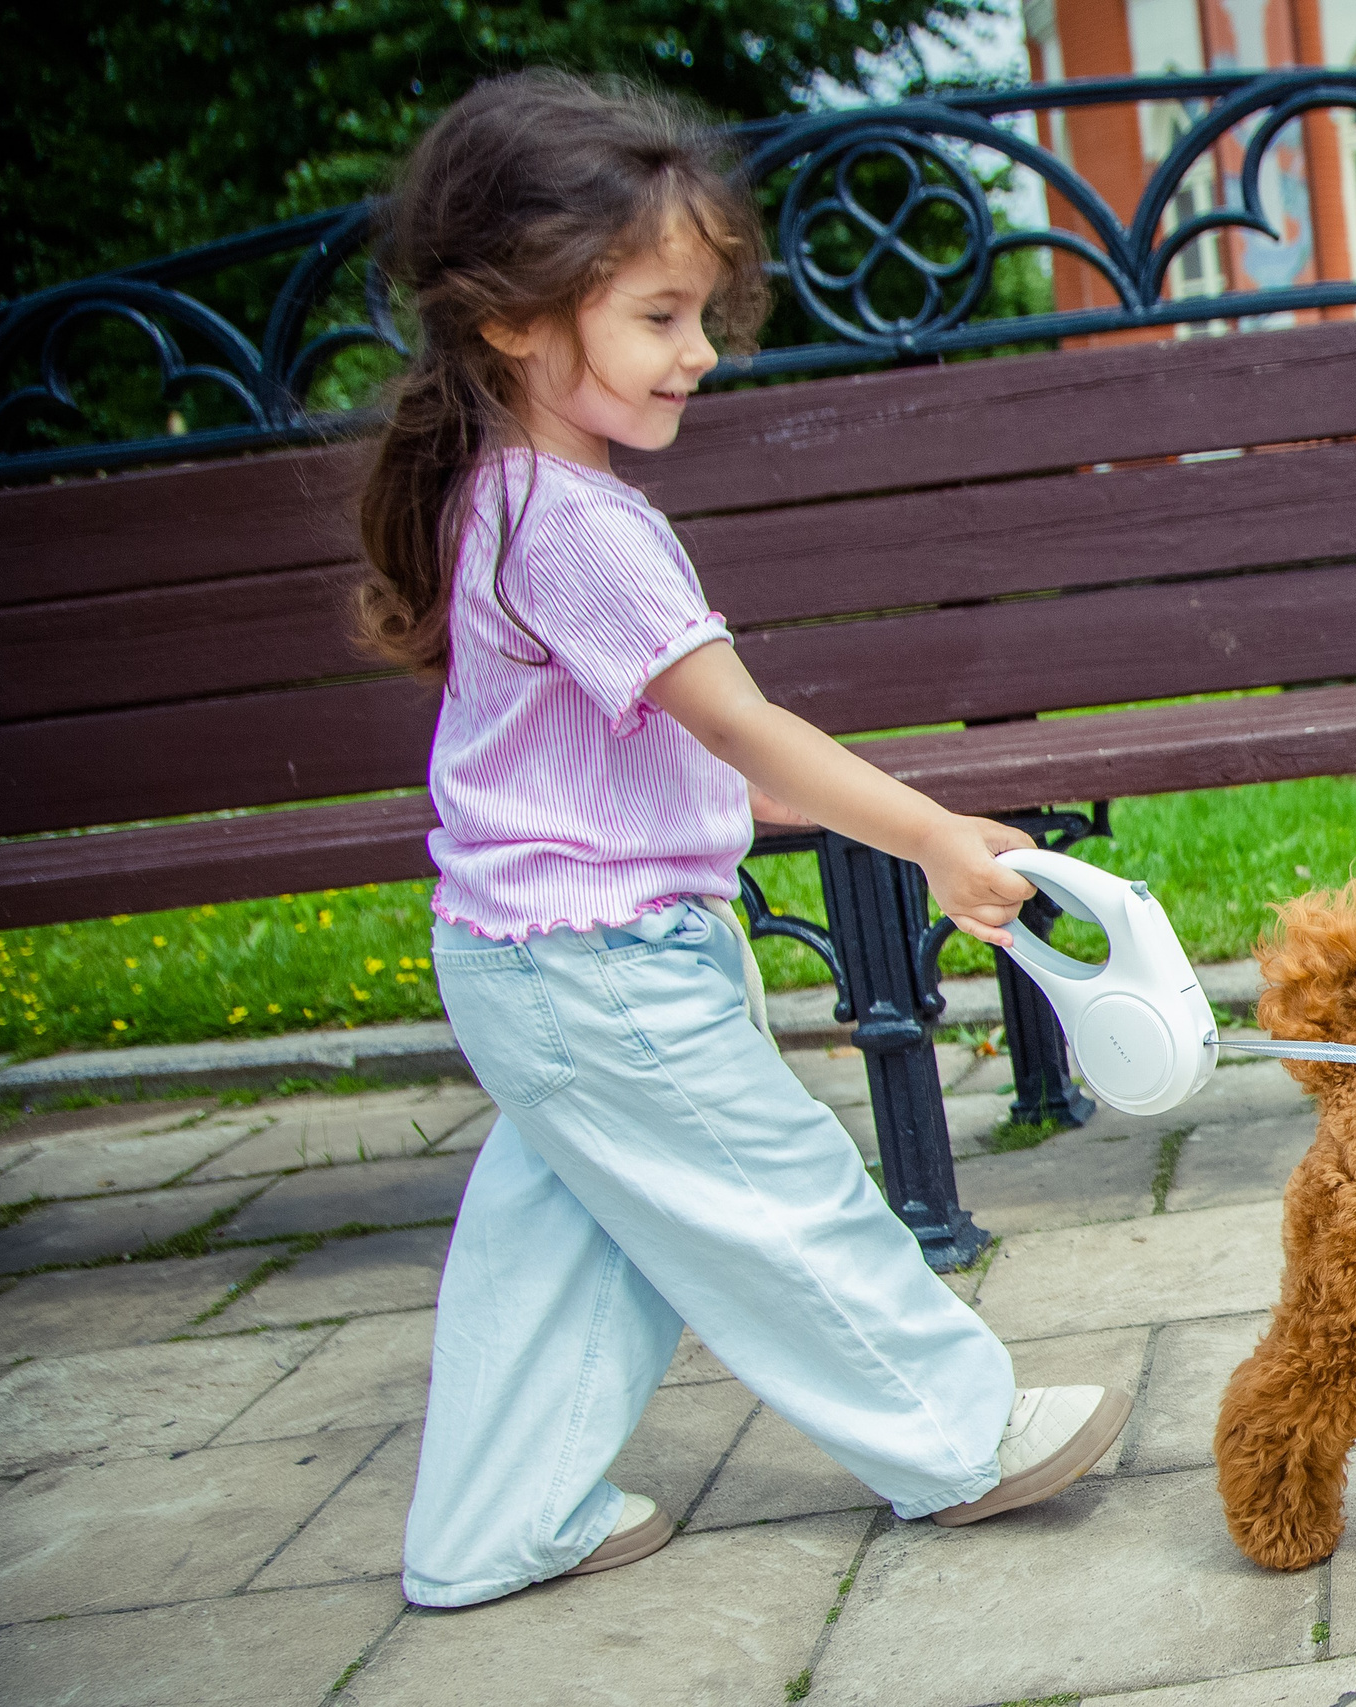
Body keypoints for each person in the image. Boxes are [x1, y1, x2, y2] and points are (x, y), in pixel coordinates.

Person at [351, 71, 1129, 1610]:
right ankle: (956, 1439)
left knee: (569, 1245)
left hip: (534, 960)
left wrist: (877, 817)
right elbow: (739, 727)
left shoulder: (508, 501)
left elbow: (671, 756)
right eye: (656, 315)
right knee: (778, 1199)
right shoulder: (572, 522)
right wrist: (929, 842)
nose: (697, 351)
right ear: (515, 317)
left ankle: (494, 1526)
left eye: (701, 313)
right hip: (599, 965)